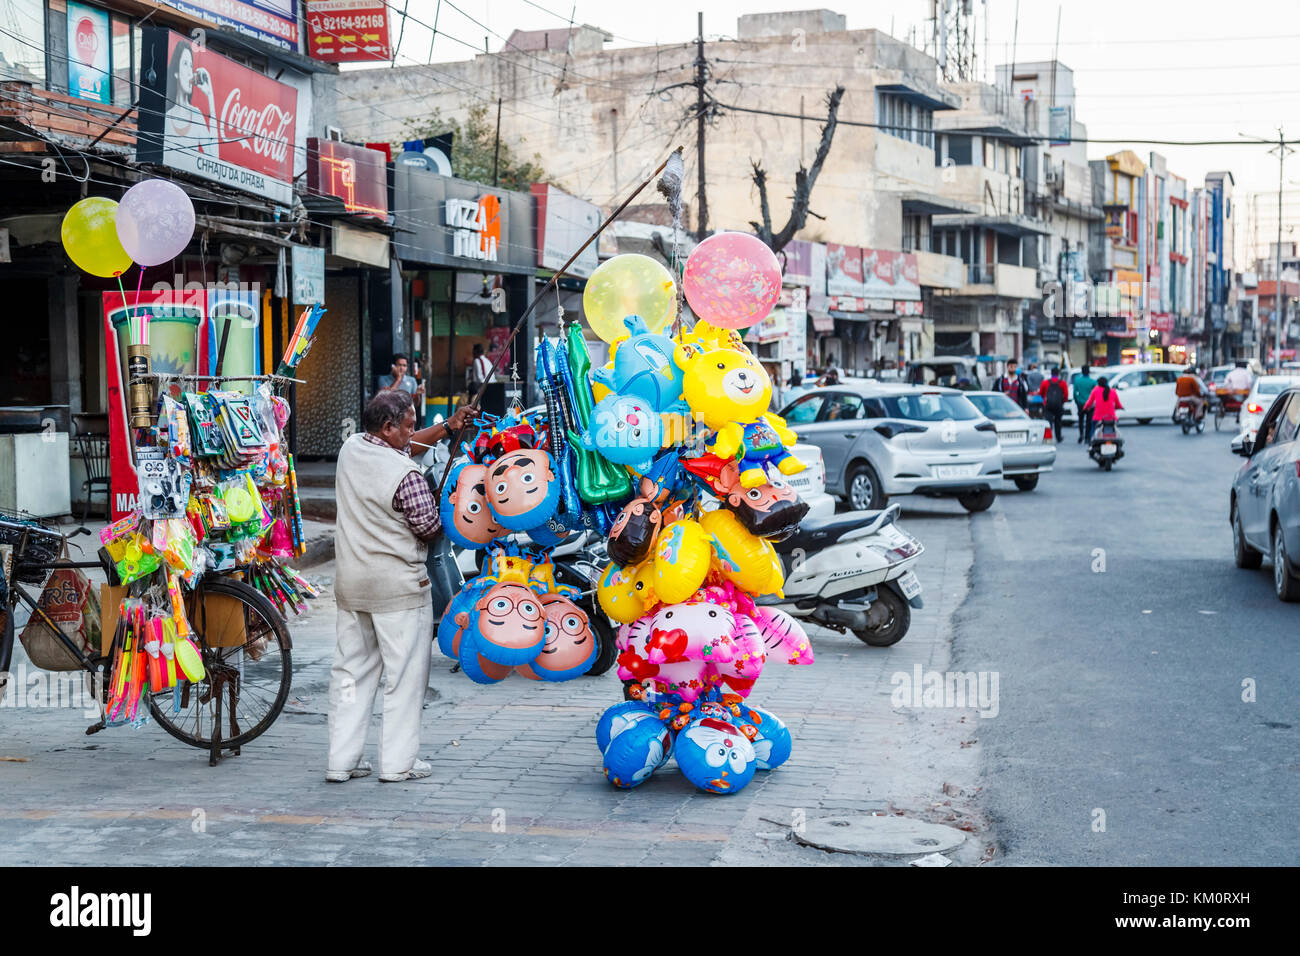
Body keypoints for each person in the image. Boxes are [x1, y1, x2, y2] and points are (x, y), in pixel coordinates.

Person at [327, 390, 477, 784]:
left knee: (350, 676)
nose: (412, 434)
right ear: (388, 427)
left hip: (352, 586)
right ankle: (397, 764)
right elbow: (429, 530)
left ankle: (341, 762)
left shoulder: (352, 449)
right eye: (408, 426)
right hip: (397, 591)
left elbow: (406, 448)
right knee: (405, 680)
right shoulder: (406, 477)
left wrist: (447, 428)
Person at [1038, 367, 1068, 443]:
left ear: (1051, 373)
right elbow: (1066, 395)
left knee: (1048, 422)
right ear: (1058, 374)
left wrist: (1045, 401)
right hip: (1058, 406)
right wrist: (1062, 402)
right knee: (1058, 422)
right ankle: (1058, 437)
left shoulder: (1045, 382)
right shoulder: (1062, 383)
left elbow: (1041, 393)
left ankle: (1048, 438)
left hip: (1048, 406)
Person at [1071, 364, 1097, 444]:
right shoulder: (1093, 382)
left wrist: (1077, 400)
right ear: (1089, 372)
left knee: (1081, 420)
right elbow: (1096, 393)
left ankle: (1081, 434)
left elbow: (1075, 393)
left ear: (1081, 371)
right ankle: (1087, 437)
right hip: (1090, 404)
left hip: (1080, 403)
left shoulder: (1077, 381)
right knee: (1089, 421)